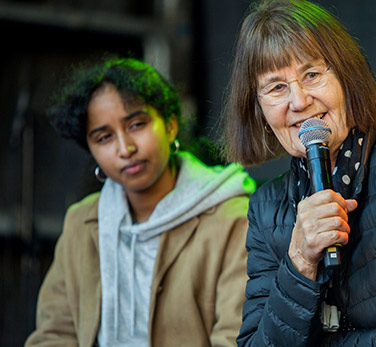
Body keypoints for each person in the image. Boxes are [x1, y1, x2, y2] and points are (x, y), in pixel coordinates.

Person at [220, 0, 376, 345]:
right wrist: (300, 260)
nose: (299, 101)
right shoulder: (266, 204)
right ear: (258, 109)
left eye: (312, 75)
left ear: (347, 78)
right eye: (277, 87)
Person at [25, 57, 256, 346]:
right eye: (104, 137)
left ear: (170, 126)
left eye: (136, 124)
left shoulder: (233, 217)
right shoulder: (82, 222)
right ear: (91, 150)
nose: (125, 148)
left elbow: (235, 337)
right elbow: (54, 334)